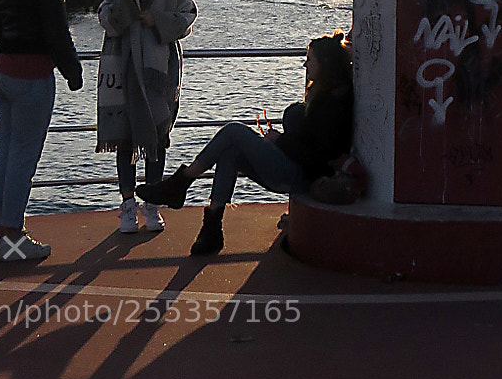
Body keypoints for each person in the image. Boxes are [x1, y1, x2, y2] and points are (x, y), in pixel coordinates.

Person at [142, 30, 353, 257]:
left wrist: (280, 141)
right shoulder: (323, 94)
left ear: (325, 63)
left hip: (303, 175)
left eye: (310, 59)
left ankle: (181, 182)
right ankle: (212, 228)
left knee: (233, 131)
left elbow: (318, 154)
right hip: (294, 164)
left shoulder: (332, 103)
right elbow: (308, 140)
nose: (305, 65)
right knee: (230, 152)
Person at [0, 0, 84, 260]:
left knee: (5, 150)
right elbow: (56, 30)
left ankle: (1, 232)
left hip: (2, 70)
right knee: (22, 158)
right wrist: (72, 71)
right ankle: (14, 235)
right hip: (31, 75)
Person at [97, 0, 197, 234]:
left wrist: (160, 20)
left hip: (161, 71)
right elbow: (105, 18)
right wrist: (127, 0)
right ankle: (128, 206)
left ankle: (152, 204)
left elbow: (188, 14)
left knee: (157, 137)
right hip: (126, 67)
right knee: (126, 140)